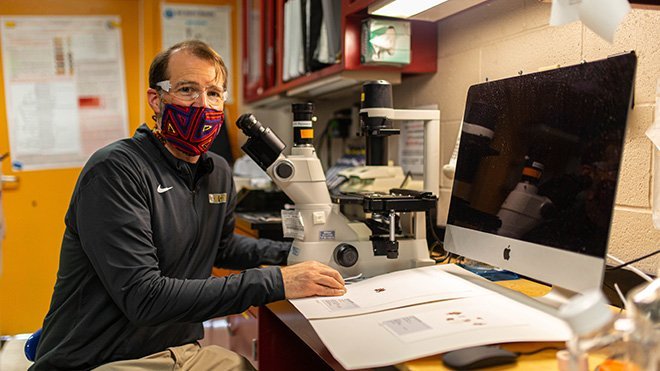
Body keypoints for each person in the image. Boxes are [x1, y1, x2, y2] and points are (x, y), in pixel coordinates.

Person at [31, 40, 346, 371]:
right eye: (186, 90)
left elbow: (220, 247)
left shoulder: (217, 170)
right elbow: (145, 298)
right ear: (157, 99)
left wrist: (299, 255)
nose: (202, 104)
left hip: (177, 349)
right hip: (102, 359)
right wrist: (277, 281)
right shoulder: (116, 170)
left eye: (213, 93)